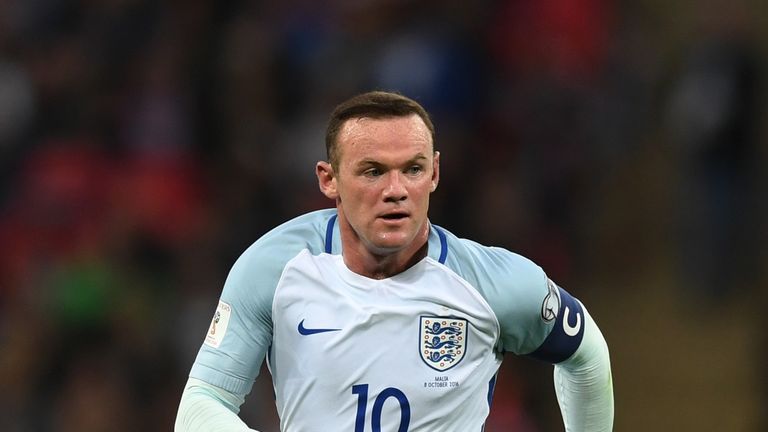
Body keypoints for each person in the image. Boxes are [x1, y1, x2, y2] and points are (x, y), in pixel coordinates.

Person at [175, 91, 614, 431]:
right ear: (329, 179)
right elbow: (201, 404)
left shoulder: (493, 284)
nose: (396, 189)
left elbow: (586, 357)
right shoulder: (275, 268)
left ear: (436, 173)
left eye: (413, 169)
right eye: (373, 171)